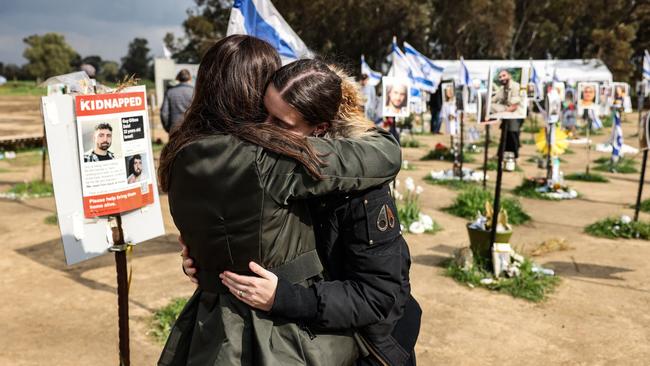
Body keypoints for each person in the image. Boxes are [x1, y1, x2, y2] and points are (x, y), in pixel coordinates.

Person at [157, 35, 401, 366]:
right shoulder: (269, 158)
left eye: (279, 120)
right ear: (254, 94)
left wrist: (207, 260)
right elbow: (385, 154)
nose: (268, 127)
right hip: (284, 339)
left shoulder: (179, 152)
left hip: (210, 331)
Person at [160, 69, 194, 134]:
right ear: (190, 78)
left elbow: (164, 113)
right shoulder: (195, 92)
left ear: (178, 78)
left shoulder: (170, 92)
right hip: (191, 129)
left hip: (174, 128)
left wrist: (168, 128)